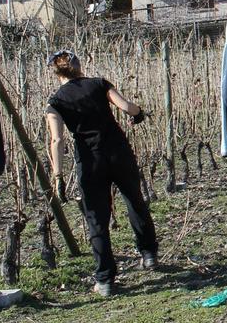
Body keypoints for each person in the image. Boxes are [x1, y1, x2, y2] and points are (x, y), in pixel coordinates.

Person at [45, 49, 158, 297]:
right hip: (118, 152)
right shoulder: (98, 83)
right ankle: (149, 254)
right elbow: (127, 107)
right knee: (134, 201)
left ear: (55, 72)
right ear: (78, 65)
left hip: (90, 161)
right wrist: (139, 114)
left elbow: (57, 140)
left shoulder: (56, 102)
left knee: (96, 218)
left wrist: (58, 175)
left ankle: (105, 280)